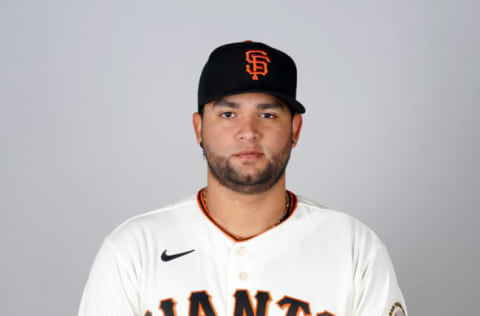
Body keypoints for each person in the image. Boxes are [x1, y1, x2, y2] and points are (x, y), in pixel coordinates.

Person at [78, 41, 407, 316]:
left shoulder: (354, 248)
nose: (248, 132)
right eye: (227, 114)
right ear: (199, 128)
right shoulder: (133, 249)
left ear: (294, 129)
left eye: (267, 114)